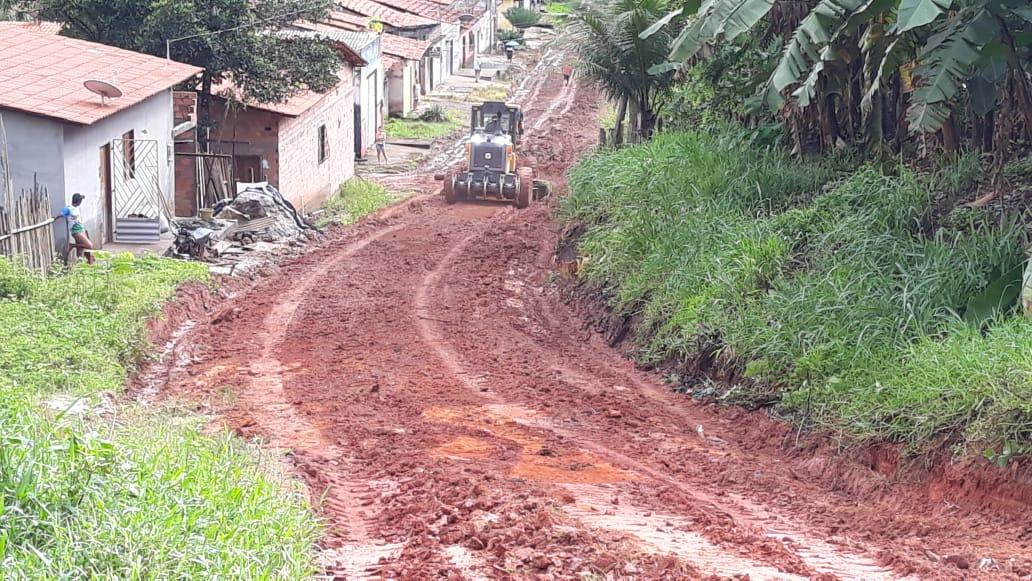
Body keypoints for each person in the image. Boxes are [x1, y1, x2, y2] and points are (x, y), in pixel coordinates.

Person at [58, 193, 94, 265]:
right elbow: (60, 215)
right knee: (89, 245)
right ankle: (72, 245)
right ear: (78, 202)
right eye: (80, 201)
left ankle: (88, 264)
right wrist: (54, 218)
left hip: (81, 229)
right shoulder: (68, 209)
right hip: (76, 231)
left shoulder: (76, 207)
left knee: (80, 252)